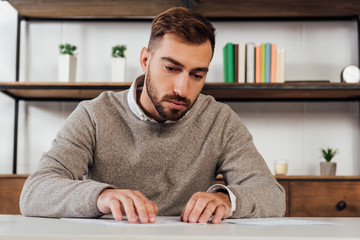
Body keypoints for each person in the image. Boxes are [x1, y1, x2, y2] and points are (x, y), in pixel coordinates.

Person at [20, 7, 285, 224]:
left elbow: (273, 197)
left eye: (197, 75)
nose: (182, 89)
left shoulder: (219, 120)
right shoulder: (94, 115)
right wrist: (102, 195)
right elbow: (34, 192)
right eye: (171, 68)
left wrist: (227, 199)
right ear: (146, 60)